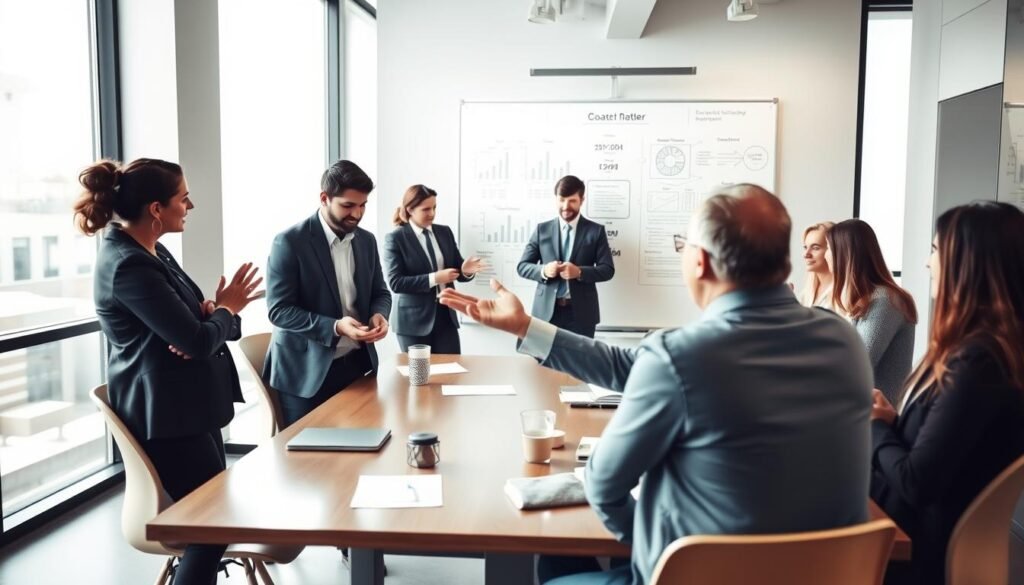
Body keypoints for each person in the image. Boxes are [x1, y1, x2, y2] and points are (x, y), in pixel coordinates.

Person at [441, 184, 873, 585]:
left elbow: (603, 486)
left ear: (700, 261)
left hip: (702, 578)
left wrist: (659, 551)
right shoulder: (844, 341)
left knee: (554, 564)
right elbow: (633, 367)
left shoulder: (679, 356)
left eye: (682, 247)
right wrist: (525, 326)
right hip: (822, 575)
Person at [75, 158, 262, 585]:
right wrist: (224, 312)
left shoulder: (153, 251)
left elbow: (202, 326)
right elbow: (199, 337)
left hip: (190, 405)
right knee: (210, 525)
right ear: (157, 209)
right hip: (168, 416)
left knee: (216, 516)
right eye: (184, 198)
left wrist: (212, 321)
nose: (190, 205)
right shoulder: (128, 264)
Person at [870, 201, 1024, 585]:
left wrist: (874, 427)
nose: (927, 263)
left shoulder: (978, 363)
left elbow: (917, 482)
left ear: (967, 263)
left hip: (916, 552)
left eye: (936, 250)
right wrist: (893, 422)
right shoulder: (988, 351)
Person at [263, 160, 392, 428]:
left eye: (363, 205)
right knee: (310, 464)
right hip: (305, 374)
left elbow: (380, 291)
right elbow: (279, 310)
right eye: (347, 205)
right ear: (324, 198)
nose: (356, 214)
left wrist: (380, 314)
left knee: (361, 451)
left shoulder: (366, 241)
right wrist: (335, 327)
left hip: (357, 366)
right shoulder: (289, 242)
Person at [383, 184, 485, 354]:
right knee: (419, 377)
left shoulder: (444, 232)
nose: (432, 213)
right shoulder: (396, 238)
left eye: (434, 208)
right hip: (412, 322)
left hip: (446, 315)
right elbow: (396, 283)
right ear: (410, 210)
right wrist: (435, 278)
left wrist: (466, 270)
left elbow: (456, 271)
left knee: (452, 373)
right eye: (426, 209)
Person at [827, 219, 917, 403]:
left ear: (843, 253)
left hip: (870, 420)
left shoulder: (884, 300)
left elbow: (856, 364)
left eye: (828, 248)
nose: (825, 255)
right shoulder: (869, 298)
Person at [516, 175, 615, 338]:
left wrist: (580, 272)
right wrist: (544, 271)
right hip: (546, 313)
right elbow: (522, 266)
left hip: (582, 315)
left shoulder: (596, 232)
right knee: (542, 362)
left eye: (572, 201)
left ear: (582, 200)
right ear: (556, 199)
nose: (565, 206)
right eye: (561, 200)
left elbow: (608, 270)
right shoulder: (542, 230)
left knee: (580, 362)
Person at [799, 221, 835, 308]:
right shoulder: (806, 293)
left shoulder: (844, 294)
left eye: (815, 248)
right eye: (805, 247)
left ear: (833, 250)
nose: (806, 254)